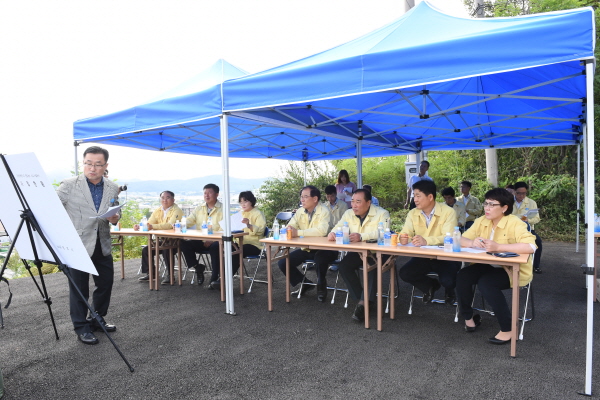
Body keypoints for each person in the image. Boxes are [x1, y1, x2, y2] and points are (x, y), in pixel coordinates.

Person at [56, 146, 120, 345]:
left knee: (106, 284)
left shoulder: (111, 187)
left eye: (98, 165)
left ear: (105, 166)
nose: (92, 168)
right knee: (79, 289)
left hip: (102, 243)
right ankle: (81, 327)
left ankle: (97, 319)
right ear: (83, 163)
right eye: (88, 163)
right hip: (78, 245)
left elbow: (115, 212)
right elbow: (52, 210)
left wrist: (115, 217)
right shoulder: (68, 185)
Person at [456, 188, 536, 345]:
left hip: (512, 270)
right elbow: (460, 239)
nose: (487, 207)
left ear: (504, 208)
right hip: (486, 265)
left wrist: (499, 247)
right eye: (486, 203)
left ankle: (508, 329)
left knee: (486, 283)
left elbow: (531, 247)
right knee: (463, 276)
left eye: (492, 204)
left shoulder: (515, 223)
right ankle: (469, 318)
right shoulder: (481, 221)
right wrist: (472, 243)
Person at [319, 189, 389, 319]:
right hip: (359, 252)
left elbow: (384, 232)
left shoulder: (382, 213)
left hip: (378, 251)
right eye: (352, 201)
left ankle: (363, 304)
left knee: (372, 268)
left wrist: (362, 236)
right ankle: (363, 298)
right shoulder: (348, 213)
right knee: (344, 266)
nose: (354, 205)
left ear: (368, 203)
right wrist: (333, 232)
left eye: (358, 202)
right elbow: (339, 226)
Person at [397, 180, 460, 305]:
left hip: (446, 256)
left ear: (430, 197)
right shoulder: (413, 213)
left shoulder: (448, 212)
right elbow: (406, 232)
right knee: (405, 273)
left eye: (418, 196)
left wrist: (427, 241)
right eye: (414, 196)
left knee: (448, 281)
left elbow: (449, 237)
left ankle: (449, 289)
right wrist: (403, 237)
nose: (415, 199)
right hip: (424, 256)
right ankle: (430, 285)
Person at [277, 186, 332, 298]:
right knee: (283, 262)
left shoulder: (325, 211)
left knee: (320, 259)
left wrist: (298, 233)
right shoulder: (300, 211)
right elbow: (291, 225)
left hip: (326, 248)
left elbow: (321, 231)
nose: (302, 200)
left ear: (315, 198)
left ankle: (321, 285)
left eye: (305, 197)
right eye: (301, 197)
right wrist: (288, 230)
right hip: (307, 247)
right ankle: (304, 283)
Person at [210, 191, 266, 290]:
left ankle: (223, 281)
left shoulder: (258, 214)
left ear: (252, 201)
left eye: (245, 201)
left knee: (236, 252)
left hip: (253, 245)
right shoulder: (240, 214)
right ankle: (214, 277)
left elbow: (261, 230)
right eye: (241, 202)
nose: (243, 204)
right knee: (215, 246)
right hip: (238, 242)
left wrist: (249, 225)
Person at [180, 183, 224, 287]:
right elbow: (190, 220)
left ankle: (214, 279)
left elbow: (225, 228)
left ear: (217, 194)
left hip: (217, 241)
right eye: (205, 193)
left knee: (215, 248)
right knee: (184, 243)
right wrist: (178, 224)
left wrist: (213, 240)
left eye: (209, 193)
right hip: (201, 240)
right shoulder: (199, 208)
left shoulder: (223, 208)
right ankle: (197, 267)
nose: (207, 195)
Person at [136, 191, 184, 283]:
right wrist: (140, 226)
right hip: (163, 240)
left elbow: (170, 225)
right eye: (162, 198)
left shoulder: (177, 210)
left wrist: (152, 226)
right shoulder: (158, 210)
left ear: (173, 199)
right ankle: (151, 274)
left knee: (167, 249)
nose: (165, 200)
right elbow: (149, 223)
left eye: (168, 197)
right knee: (147, 249)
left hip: (177, 241)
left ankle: (170, 276)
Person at [513, 182, 543, 274]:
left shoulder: (531, 203)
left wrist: (528, 221)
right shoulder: (508, 201)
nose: (521, 195)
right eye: (519, 193)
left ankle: (535, 266)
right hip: (512, 229)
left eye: (524, 193)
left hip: (527, 229)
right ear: (514, 192)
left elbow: (537, 218)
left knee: (537, 241)